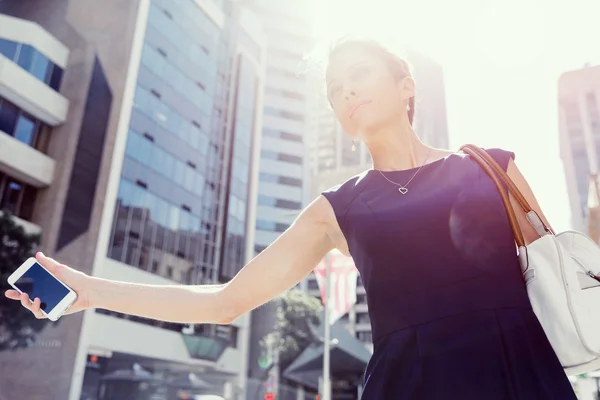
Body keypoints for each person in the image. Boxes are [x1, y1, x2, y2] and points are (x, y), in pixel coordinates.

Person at [5, 38, 577, 399]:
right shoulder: (338, 207)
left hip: (520, 375)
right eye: (334, 88)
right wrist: (87, 291)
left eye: (359, 74)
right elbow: (224, 302)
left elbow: (561, 280)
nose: (346, 89)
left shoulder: (491, 167)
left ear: (407, 88)